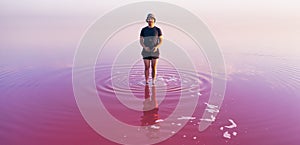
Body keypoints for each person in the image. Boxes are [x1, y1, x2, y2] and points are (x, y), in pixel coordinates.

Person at [140, 13, 163, 85]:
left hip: (155, 51)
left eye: (151, 19)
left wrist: (156, 47)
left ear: (154, 20)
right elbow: (141, 41)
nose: (150, 20)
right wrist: (144, 47)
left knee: (154, 67)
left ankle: (153, 82)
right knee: (147, 67)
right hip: (146, 51)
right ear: (147, 20)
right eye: (148, 19)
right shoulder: (143, 30)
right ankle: (146, 82)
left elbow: (161, 40)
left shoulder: (158, 30)